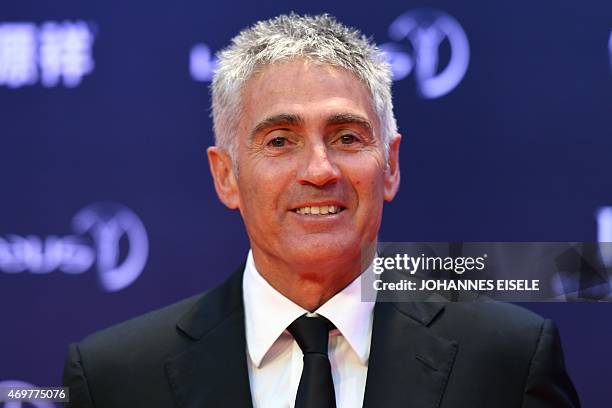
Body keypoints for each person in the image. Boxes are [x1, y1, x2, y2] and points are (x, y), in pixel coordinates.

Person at [62, 13, 580, 407]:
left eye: (348, 137)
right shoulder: (115, 377)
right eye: (280, 140)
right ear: (226, 176)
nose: (319, 169)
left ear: (391, 165)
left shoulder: (508, 359)